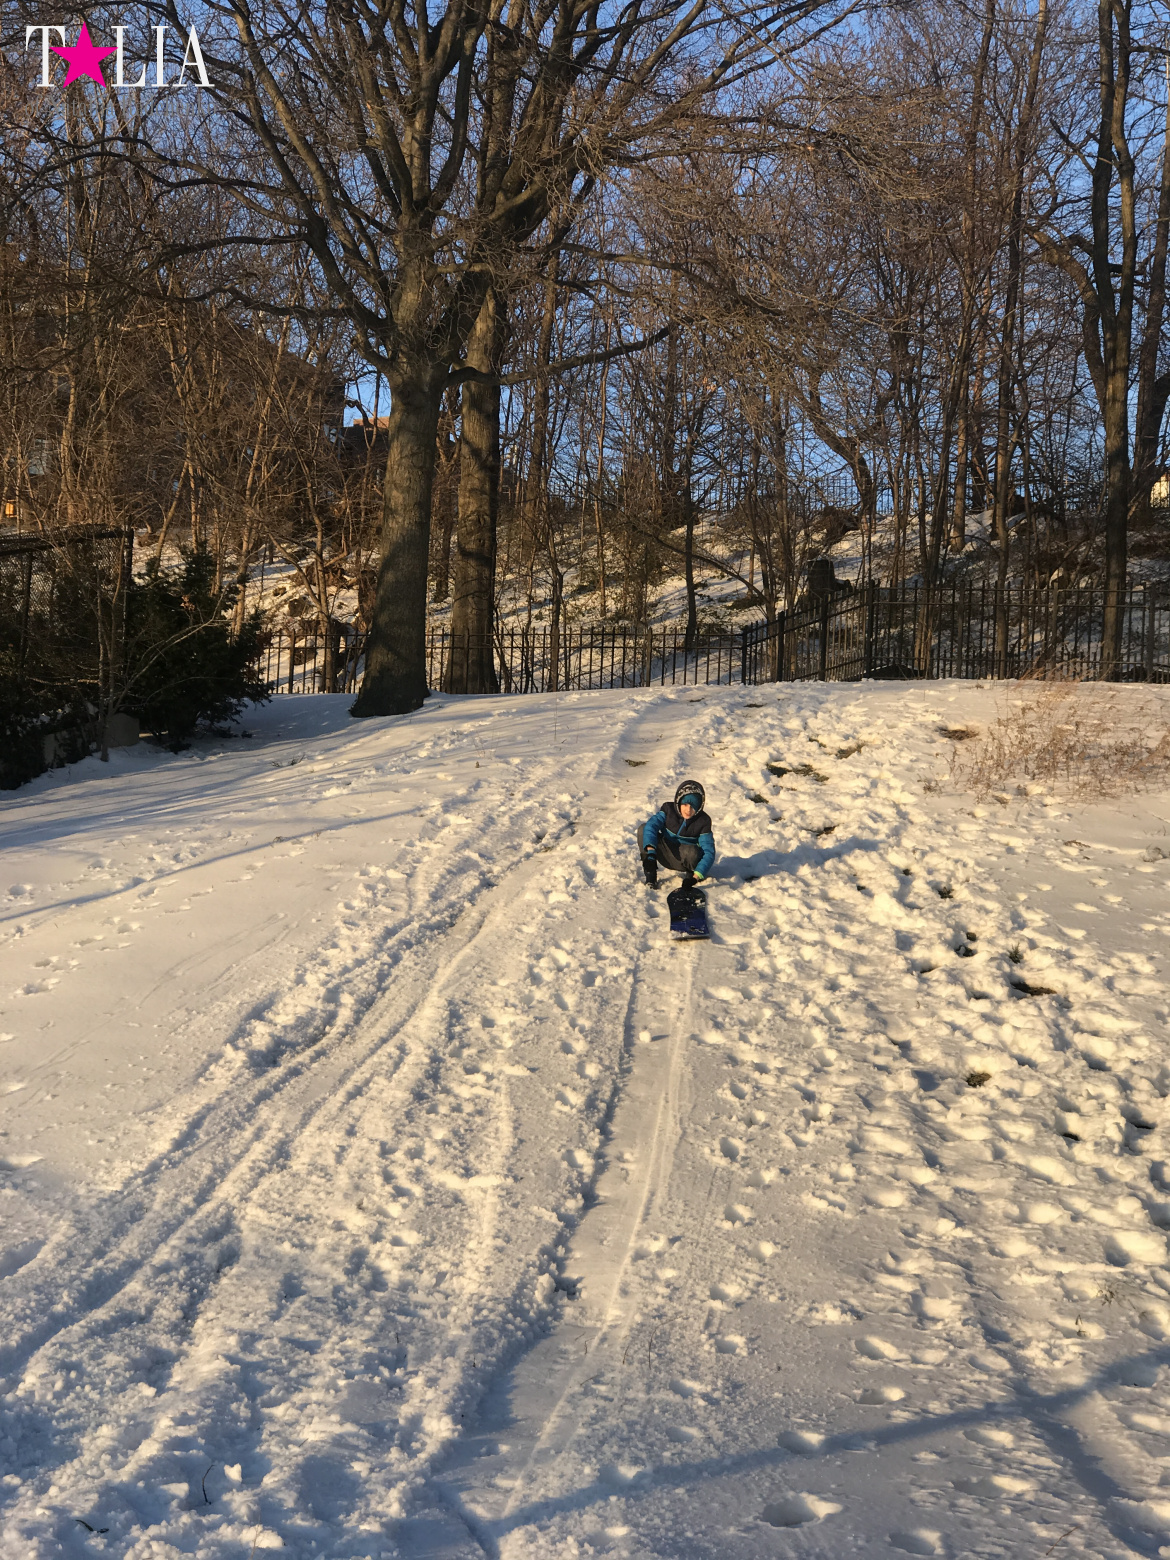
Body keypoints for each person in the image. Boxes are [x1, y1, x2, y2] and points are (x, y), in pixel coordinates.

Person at [639, 780, 715, 889]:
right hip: (664, 852)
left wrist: (695, 877)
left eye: (693, 806)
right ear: (678, 801)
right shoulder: (668, 810)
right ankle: (650, 875)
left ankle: (689, 876)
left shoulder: (703, 822)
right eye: (685, 804)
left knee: (692, 851)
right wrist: (651, 853)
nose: (688, 810)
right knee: (643, 829)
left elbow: (709, 852)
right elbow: (651, 826)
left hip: (685, 860)